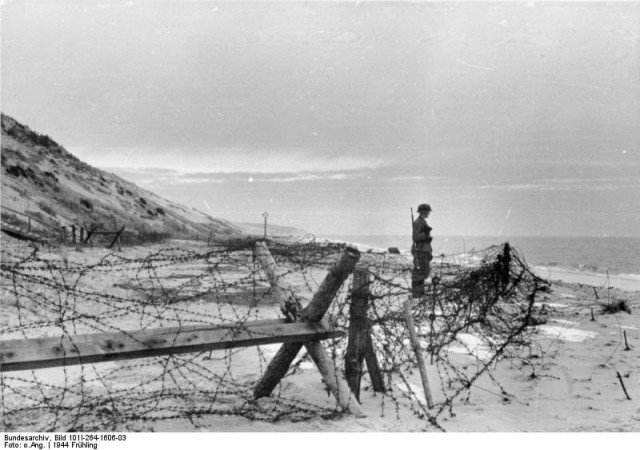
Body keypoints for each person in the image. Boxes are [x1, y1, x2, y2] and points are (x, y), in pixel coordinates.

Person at [411, 203, 433, 297]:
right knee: (420, 273)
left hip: (425, 250)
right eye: (427, 211)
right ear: (423, 212)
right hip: (420, 251)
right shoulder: (418, 222)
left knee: (424, 272)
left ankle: (420, 292)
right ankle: (417, 293)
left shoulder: (423, 221)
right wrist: (424, 234)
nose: (428, 213)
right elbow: (415, 238)